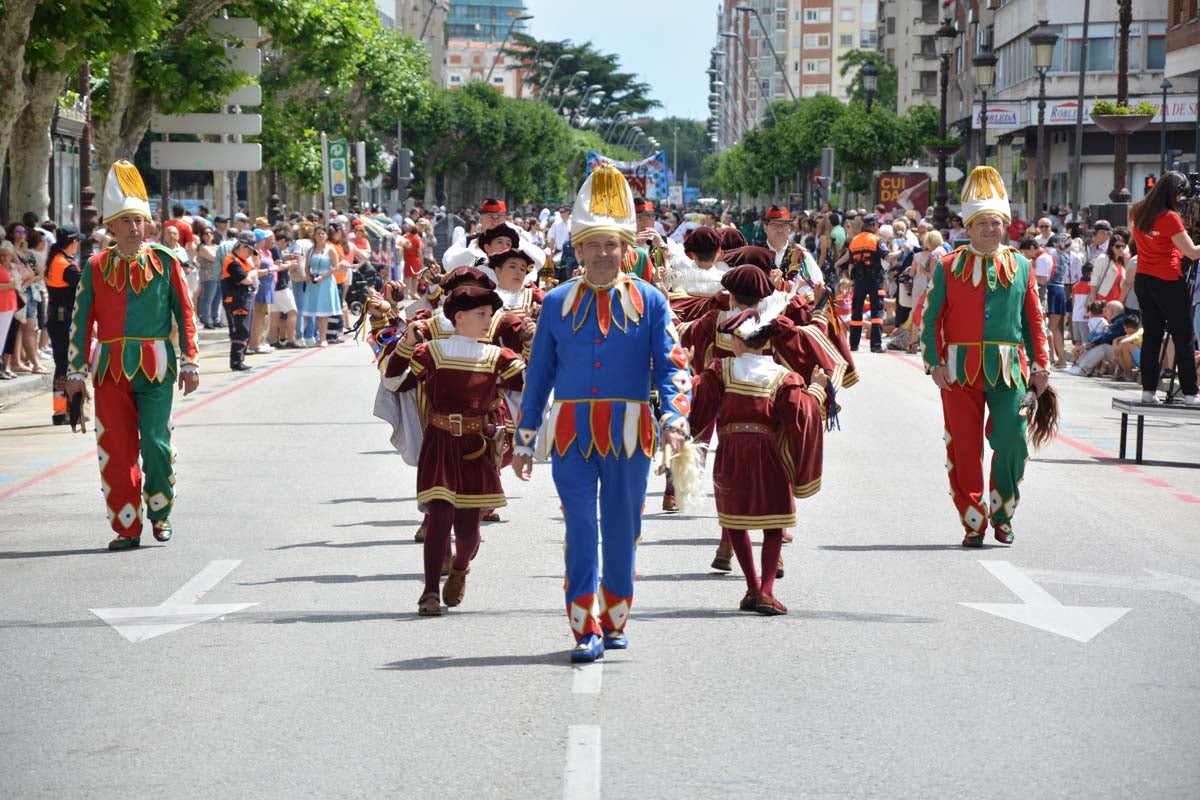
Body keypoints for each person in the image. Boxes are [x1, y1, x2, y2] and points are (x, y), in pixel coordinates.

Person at [513, 164, 692, 663]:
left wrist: (675, 418)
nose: (603, 253)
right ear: (578, 249)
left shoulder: (652, 301)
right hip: (571, 434)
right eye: (593, 243)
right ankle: (585, 627)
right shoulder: (553, 303)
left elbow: (673, 366)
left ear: (626, 249)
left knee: (621, 528)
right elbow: (538, 376)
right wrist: (525, 440)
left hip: (632, 433)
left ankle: (615, 618)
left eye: (612, 244)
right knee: (580, 529)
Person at [64, 160, 200, 550]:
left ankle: (160, 511)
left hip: (156, 367)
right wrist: (74, 369)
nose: (135, 228)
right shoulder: (94, 266)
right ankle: (126, 526)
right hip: (108, 370)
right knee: (117, 449)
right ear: (111, 227)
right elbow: (80, 321)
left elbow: (186, 315)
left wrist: (190, 360)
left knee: (156, 443)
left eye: (140, 220)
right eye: (126, 221)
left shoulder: (166, 261)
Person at [920, 167, 1052, 547]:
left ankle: (1003, 513)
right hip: (958, 372)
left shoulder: (1021, 266)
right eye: (982, 223)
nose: (990, 229)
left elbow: (1034, 321)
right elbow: (930, 319)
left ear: (1006, 226)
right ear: (969, 226)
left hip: (1009, 371)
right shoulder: (947, 267)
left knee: (1012, 439)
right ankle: (973, 520)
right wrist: (934, 362)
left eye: (996, 223)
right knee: (963, 446)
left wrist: (1041, 366)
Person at [386, 284, 526, 616]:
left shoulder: (497, 357)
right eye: (481, 314)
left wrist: (536, 345)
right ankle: (430, 591)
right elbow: (395, 380)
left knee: (467, 531)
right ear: (459, 318)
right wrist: (406, 343)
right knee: (439, 517)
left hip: (476, 448)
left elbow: (529, 387)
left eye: (490, 315)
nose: (488, 321)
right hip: (439, 442)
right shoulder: (432, 352)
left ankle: (461, 567)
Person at [688, 301, 829, 615]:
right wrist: (818, 390)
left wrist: (681, 378)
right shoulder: (784, 376)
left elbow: (698, 403)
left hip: (731, 451)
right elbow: (801, 414)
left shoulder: (721, 369)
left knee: (735, 519)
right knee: (773, 523)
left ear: (737, 340)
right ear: (768, 342)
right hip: (768, 452)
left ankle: (752, 587)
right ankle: (766, 590)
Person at [1129, 171, 1200, 404]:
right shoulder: (1169, 217)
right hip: (1168, 279)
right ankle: (1190, 392)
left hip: (1144, 279)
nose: (1181, 200)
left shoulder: (1137, 210)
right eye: (1180, 195)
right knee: (1183, 335)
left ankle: (1148, 391)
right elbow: (1192, 252)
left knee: (1152, 335)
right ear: (1174, 192)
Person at [44, 224, 87, 424]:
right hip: (64, 320)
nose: (78, 244)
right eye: (77, 241)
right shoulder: (65, 266)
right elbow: (85, 285)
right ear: (72, 242)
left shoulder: (57, 260)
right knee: (71, 364)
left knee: (63, 364)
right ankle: (71, 411)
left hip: (56, 319)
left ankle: (62, 411)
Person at [221, 231, 267, 371]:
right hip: (236, 300)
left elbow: (254, 269)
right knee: (240, 330)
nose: (249, 254)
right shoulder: (232, 261)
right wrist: (253, 273)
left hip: (243, 299)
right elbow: (245, 279)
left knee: (244, 329)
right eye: (248, 250)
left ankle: (240, 358)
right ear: (241, 246)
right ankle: (236, 361)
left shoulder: (241, 260)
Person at [845, 214, 888, 353]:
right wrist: (902, 251)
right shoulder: (876, 240)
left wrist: (852, 282)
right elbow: (887, 256)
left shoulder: (854, 241)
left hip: (859, 281)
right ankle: (875, 345)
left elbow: (851, 265)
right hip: (875, 280)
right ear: (874, 225)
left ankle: (854, 344)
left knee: (856, 311)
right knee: (877, 311)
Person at [301, 225, 345, 348]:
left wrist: (322, 277)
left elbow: (335, 267)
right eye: (318, 233)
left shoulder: (330, 250)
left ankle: (323, 338)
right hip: (313, 283)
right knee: (310, 310)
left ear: (326, 236)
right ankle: (306, 337)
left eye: (322, 234)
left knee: (323, 312)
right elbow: (307, 265)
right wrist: (308, 275)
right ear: (314, 236)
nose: (320, 236)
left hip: (325, 282)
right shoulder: (310, 250)